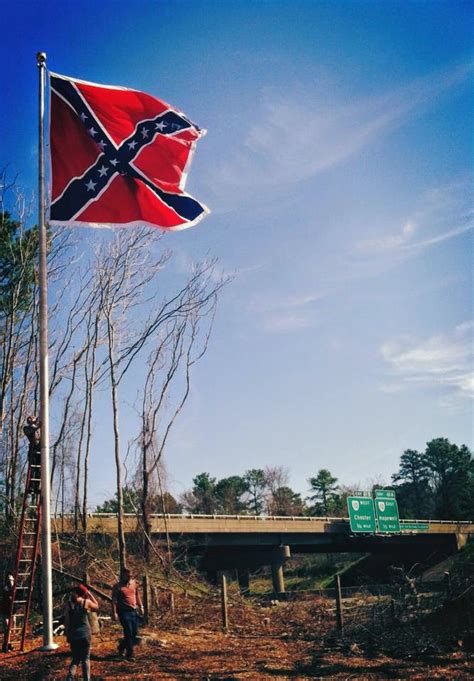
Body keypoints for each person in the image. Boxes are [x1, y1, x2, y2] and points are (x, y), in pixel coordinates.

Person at [64, 584, 99, 681]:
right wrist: (89, 593)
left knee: (75, 659)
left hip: (73, 634)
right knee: (86, 659)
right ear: (84, 594)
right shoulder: (86, 602)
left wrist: (68, 634)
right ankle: (86, 679)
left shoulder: (69, 604)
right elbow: (97, 606)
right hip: (85, 634)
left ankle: (69, 678)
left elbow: (67, 622)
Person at [111, 567, 144, 661]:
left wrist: (141, 606)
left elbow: (137, 595)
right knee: (128, 631)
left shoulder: (133, 583)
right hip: (123, 612)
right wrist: (114, 612)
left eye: (130, 575)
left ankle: (121, 647)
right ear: (123, 575)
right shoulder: (117, 586)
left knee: (134, 632)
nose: (129, 577)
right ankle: (130, 654)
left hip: (133, 611)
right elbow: (114, 600)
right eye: (127, 575)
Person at [1, 573, 15, 653]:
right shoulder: (5, 588)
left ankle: (8, 644)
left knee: (10, 629)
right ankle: (5, 645)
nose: (11, 581)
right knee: (7, 629)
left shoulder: (14, 588)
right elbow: (7, 595)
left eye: (12, 579)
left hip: (12, 611)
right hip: (5, 611)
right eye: (9, 580)